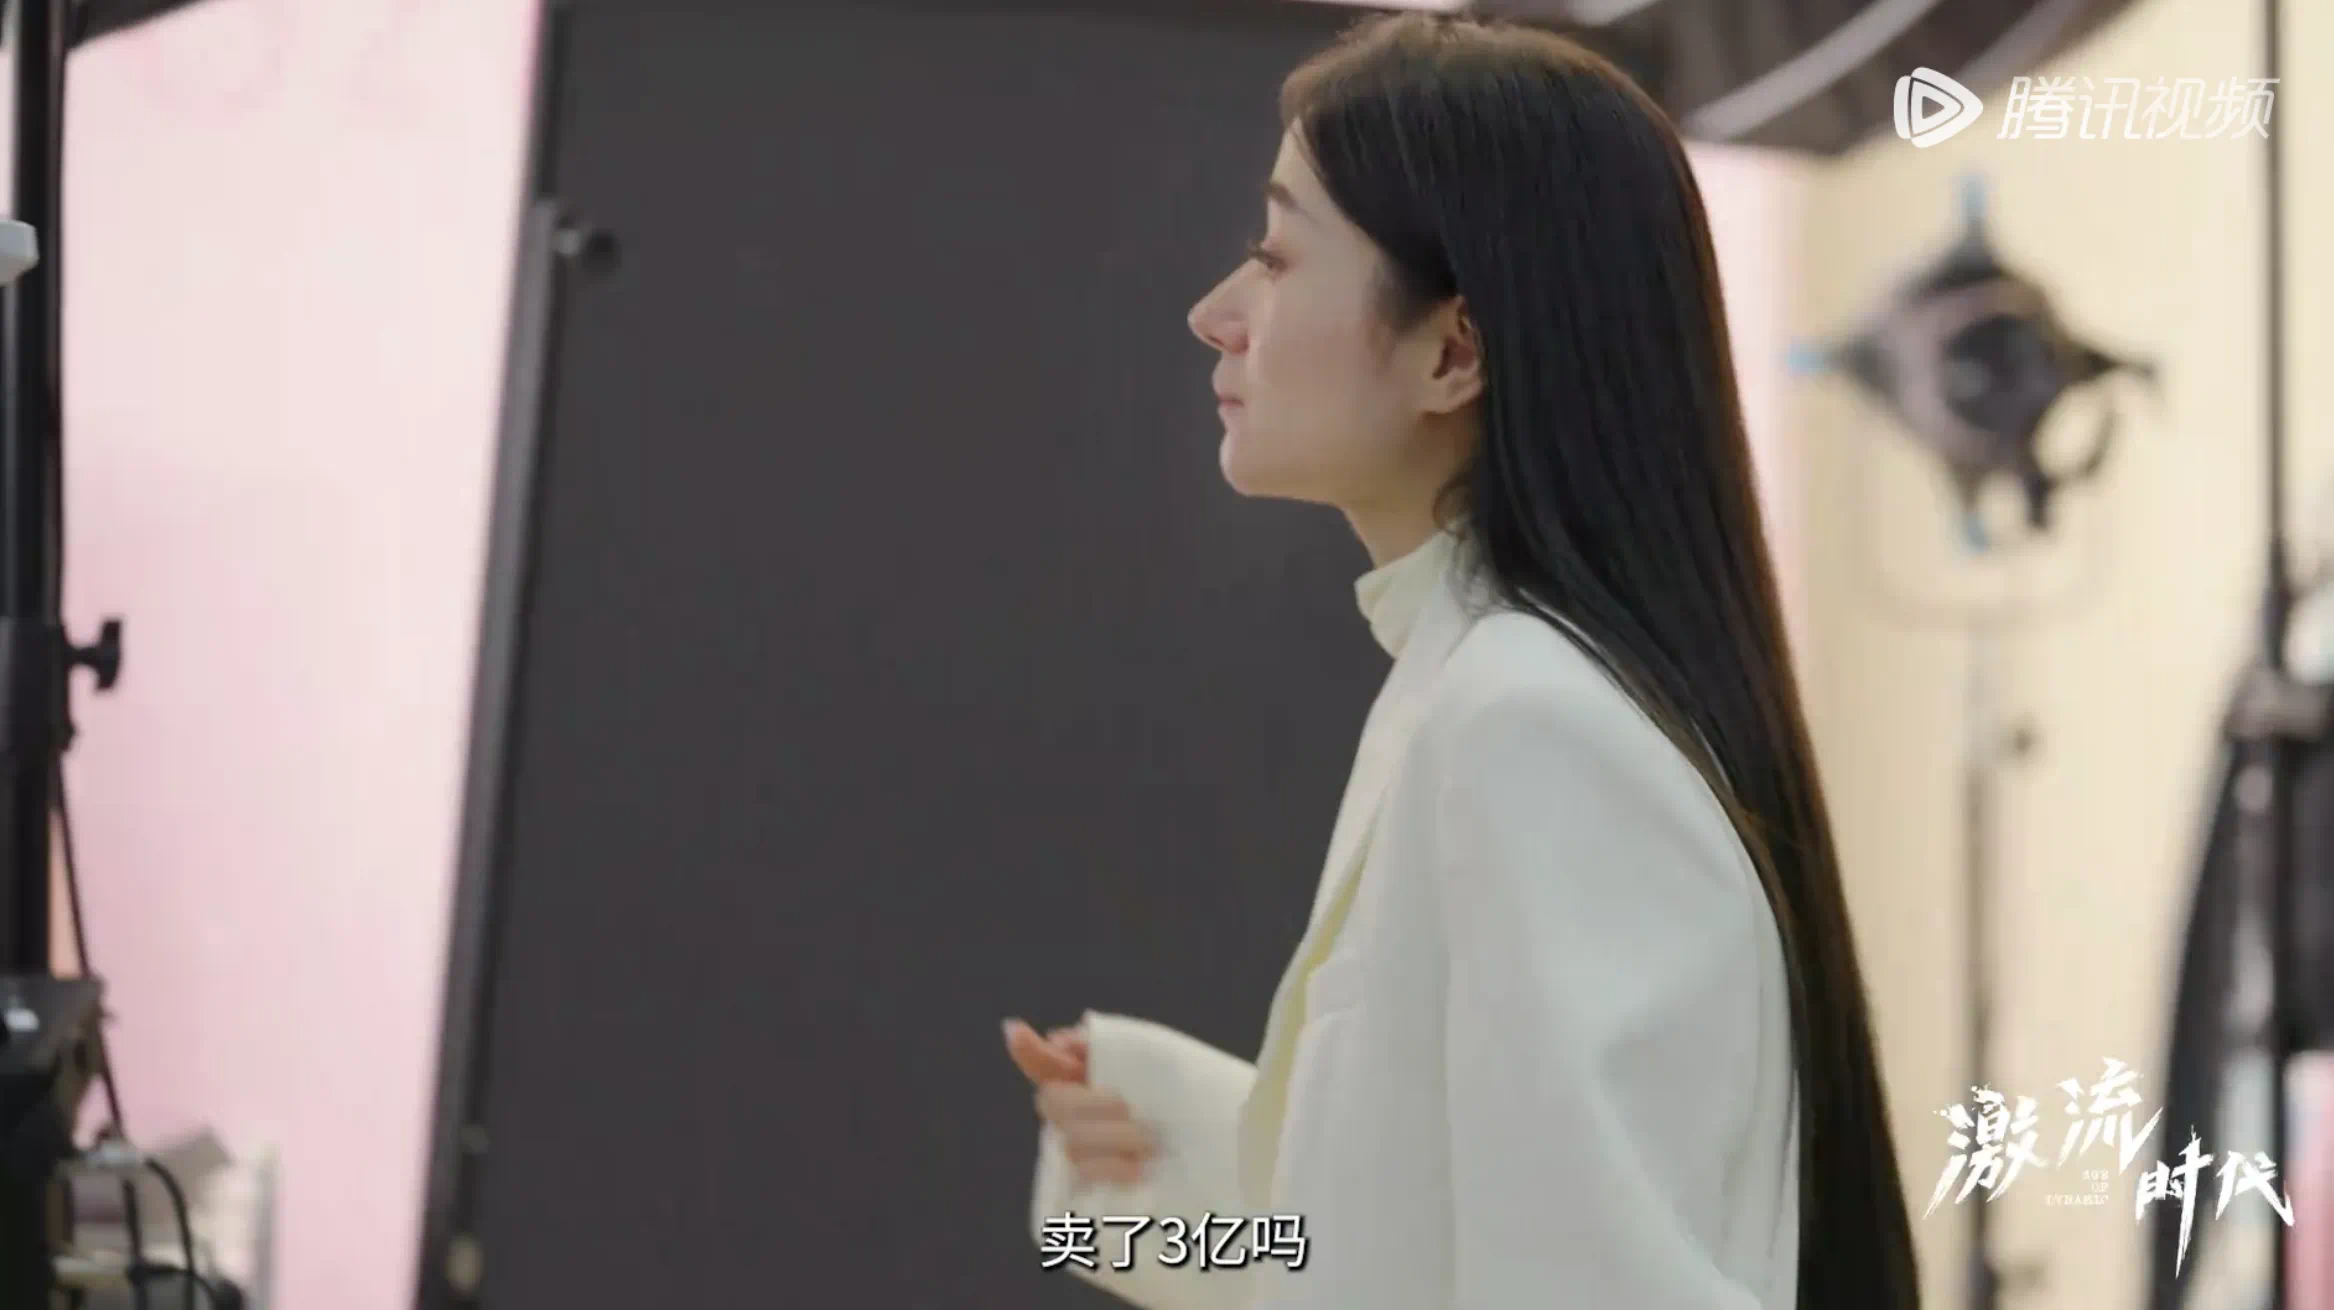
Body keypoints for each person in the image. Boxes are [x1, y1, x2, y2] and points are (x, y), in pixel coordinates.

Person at [1001, 13, 1920, 1309]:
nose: (1216, 315)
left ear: (1452, 351)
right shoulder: (1485, 690)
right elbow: (1395, 1256)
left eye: (1275, 256)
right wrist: (1169, 1163)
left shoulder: (1527, 722)